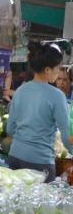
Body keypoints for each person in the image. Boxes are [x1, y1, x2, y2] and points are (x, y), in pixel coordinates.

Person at [7, 42, 73, 183]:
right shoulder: (56, 96)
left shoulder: (20, 91)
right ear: (47, 70)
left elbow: (10, 129)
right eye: (57, 68)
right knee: (39, 205)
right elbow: (67, 137)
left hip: (15, 157)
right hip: (39, 162)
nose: (58, 71)